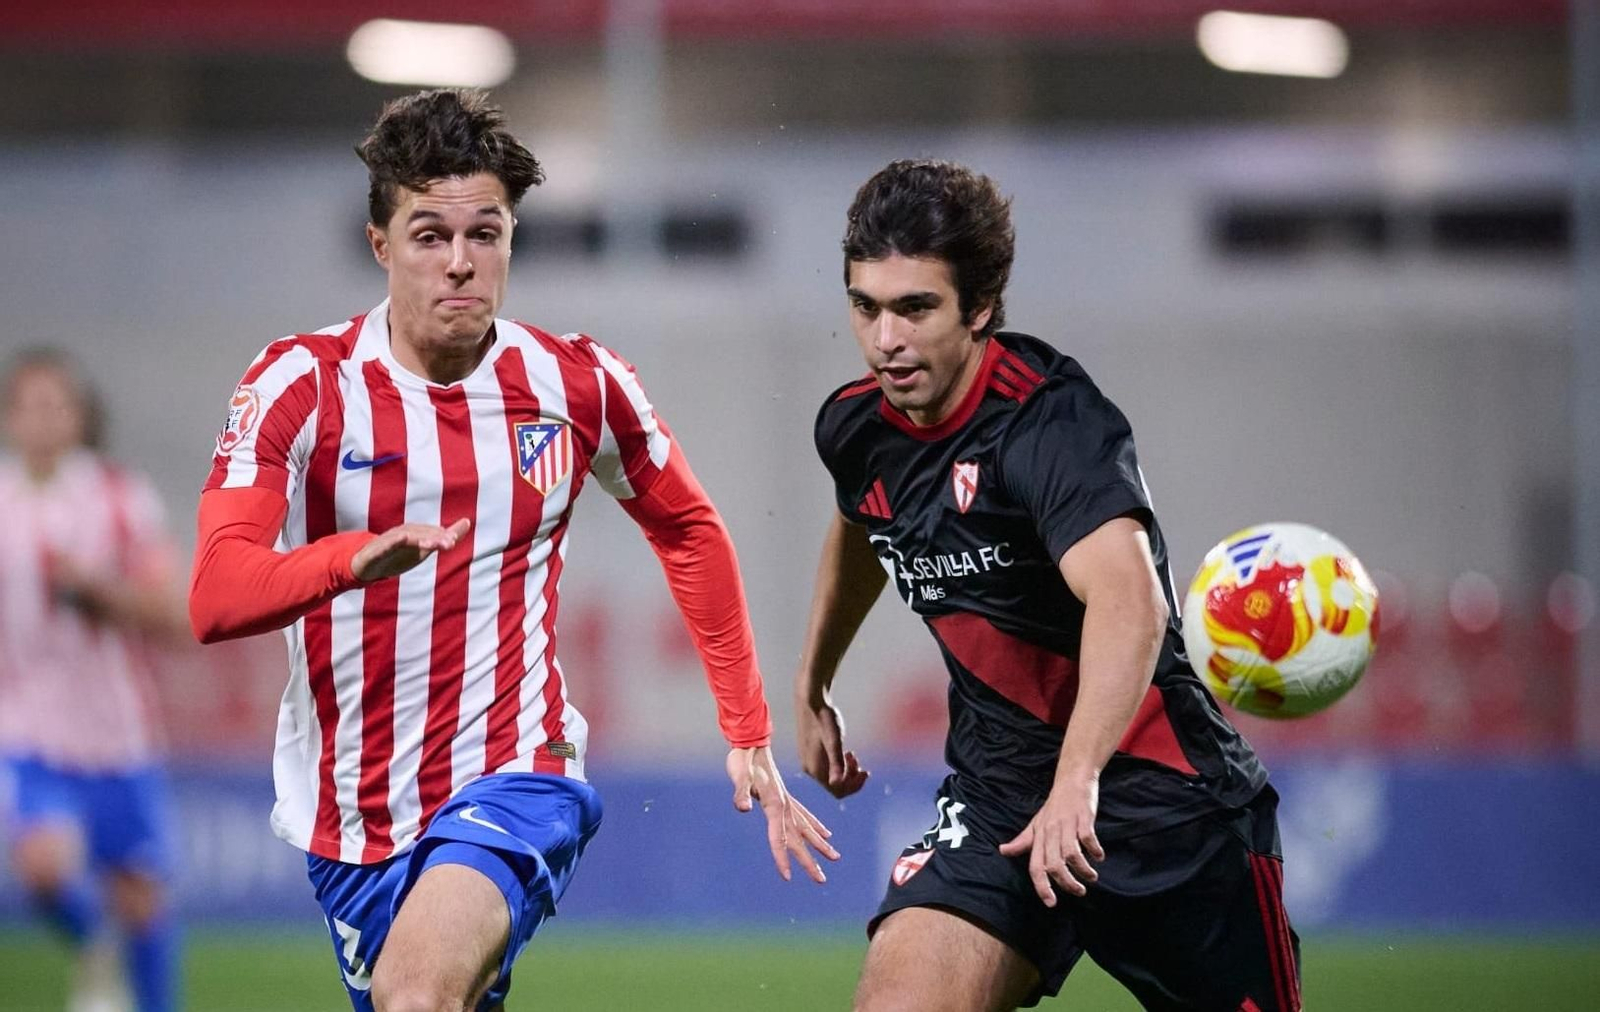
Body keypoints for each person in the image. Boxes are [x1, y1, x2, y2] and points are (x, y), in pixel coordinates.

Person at [186, 88, 834, 1012]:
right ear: (381, 245)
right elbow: (215, 594)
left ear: (511, 240)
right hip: (352, 817)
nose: (460, 263)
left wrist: (745, 728)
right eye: (429, 236)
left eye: (484, 234)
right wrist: (348, 561)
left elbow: (687, 527)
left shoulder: (578, 384)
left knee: (418, 994)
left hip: (518, 767)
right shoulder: (301, 384)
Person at [797, 159, 1300, 1012]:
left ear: (981, 307)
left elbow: (1130, 600)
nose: (886, 339)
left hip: (1161, 800)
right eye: (866, 306)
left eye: (916, 308)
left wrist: (1079, 780)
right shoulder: (857, 427)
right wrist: (814, 685)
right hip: (1000, 799)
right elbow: (860, 522)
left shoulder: (1051, 423)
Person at [0, 349, 188, 1012]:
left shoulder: (119, 498)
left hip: (117, 734)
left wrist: (97, 591)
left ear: (78, 418)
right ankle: (92, 942)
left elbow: (172, 615)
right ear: (11, 418)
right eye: (31, 406)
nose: (45, 419)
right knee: (45, 868)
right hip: (26, 730)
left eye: (59, 405)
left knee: (142, 901)